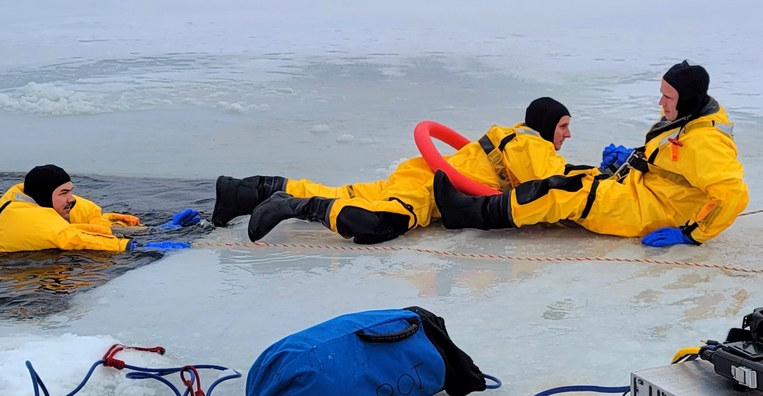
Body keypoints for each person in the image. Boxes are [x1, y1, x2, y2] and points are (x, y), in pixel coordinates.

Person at [433, 61, 750, 247]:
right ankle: (485, 206)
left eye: (667, 97)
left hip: (649, 210)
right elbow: (676, 163)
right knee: (575, 176)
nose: (661, 103)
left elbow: (731, 194)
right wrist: (633, 159)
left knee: (562, 192)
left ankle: (468, 212)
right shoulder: (686, 120)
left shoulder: (707, 140)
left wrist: (690, 234)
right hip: (641, 190)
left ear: (688, 100)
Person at [213, 97, 594, 244]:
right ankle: (296, 206)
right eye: (563, 126)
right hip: (429, 190)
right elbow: (554, 191)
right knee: (383, 222)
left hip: (420, 172)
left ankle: (244, 191)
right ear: (546, 125)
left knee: (350, 193)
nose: (567, 134)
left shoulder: (513, 136)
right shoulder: (534, 145)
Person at [0, 165, 199, 253]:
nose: (71, 199)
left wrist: (150, 230)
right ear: (44, 195)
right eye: (63, 193)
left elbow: (97, 222)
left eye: (71, 191)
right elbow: (74, 238)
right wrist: (132, 247)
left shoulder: (46, 200)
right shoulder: (26, 219)